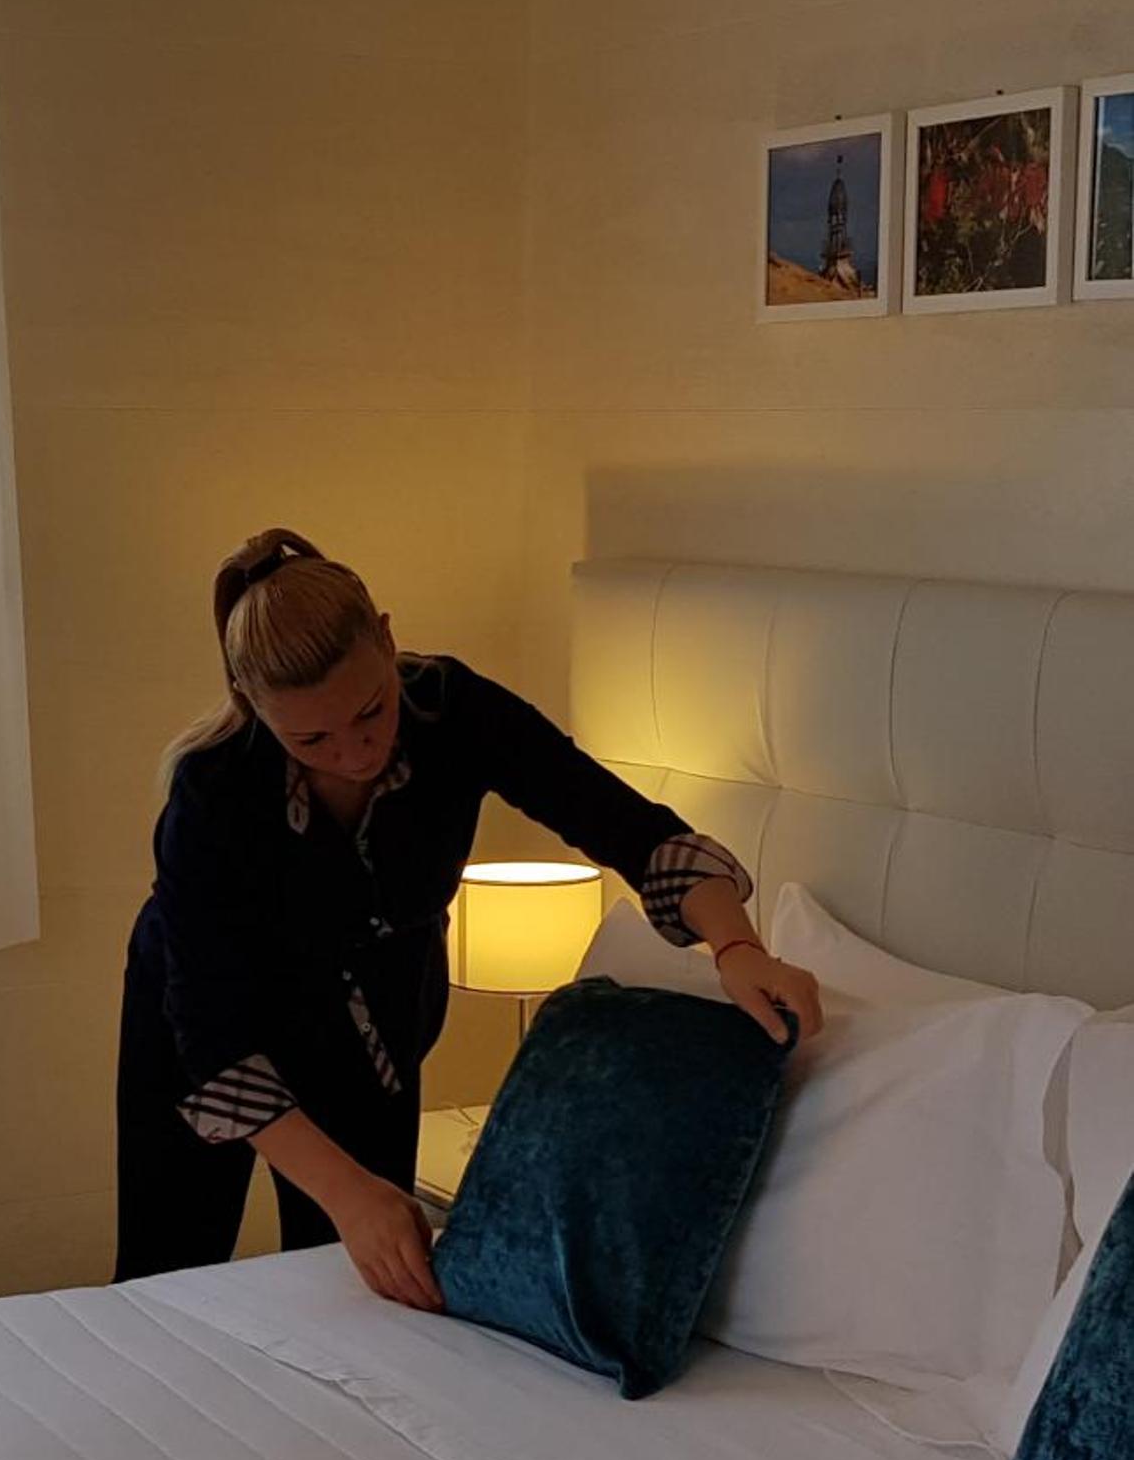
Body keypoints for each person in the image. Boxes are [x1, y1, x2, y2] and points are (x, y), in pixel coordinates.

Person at [115, 529, 824, 1307]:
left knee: (359, 1284)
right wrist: (345, 1191)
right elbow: (211, 1034)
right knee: (165, 1265)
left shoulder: (452, 710)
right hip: (204, 1021)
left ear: (387, 640)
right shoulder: (213, 789)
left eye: (370, 711)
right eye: (310, 738)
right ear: (253, 705)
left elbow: (624, 825)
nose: (353, 752)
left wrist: (735, 946)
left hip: (370, 1022)